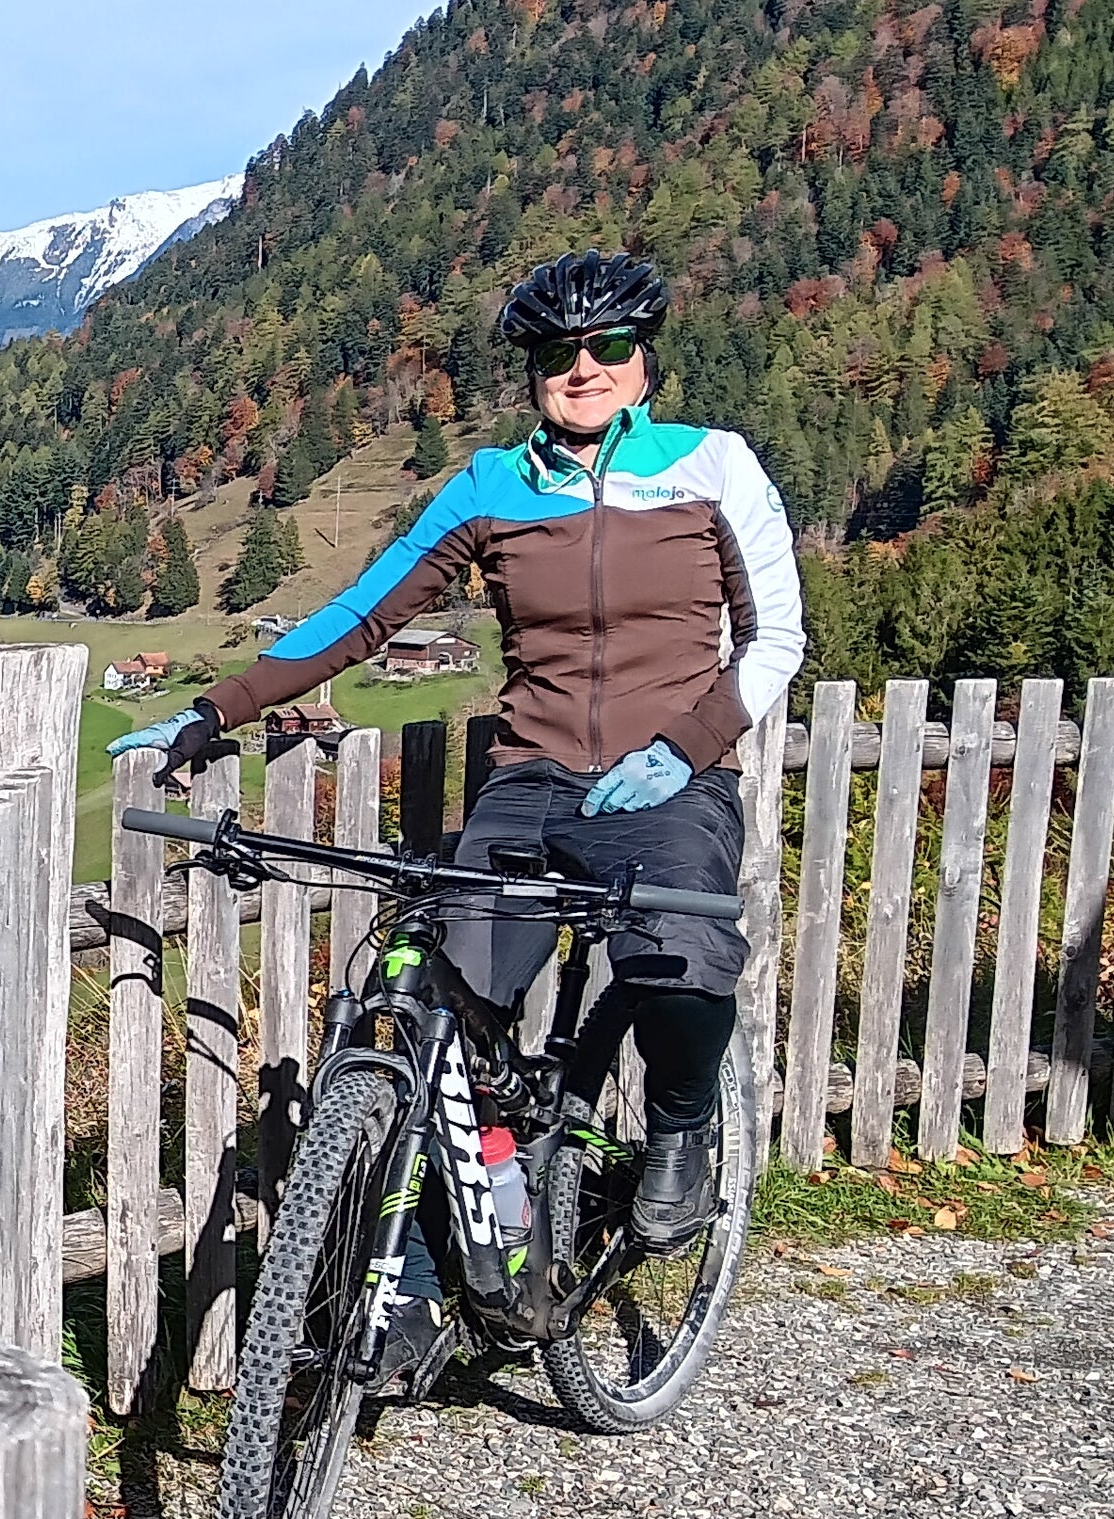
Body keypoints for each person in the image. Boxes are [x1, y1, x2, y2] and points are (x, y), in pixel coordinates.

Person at [113, 249, 802, 1269]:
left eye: (608, 346)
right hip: (532, 776)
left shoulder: (714, 467)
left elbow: (776, 637)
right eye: (558, 354)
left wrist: (685, 748)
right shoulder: (491, 485)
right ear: (532, 372)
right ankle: (480, 1229)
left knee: (681, 956)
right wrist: (215, 707)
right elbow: (363, 614)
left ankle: (680, 1131)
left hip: (670, 778)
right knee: (454, 995)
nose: (584, 369)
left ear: (644, 358)